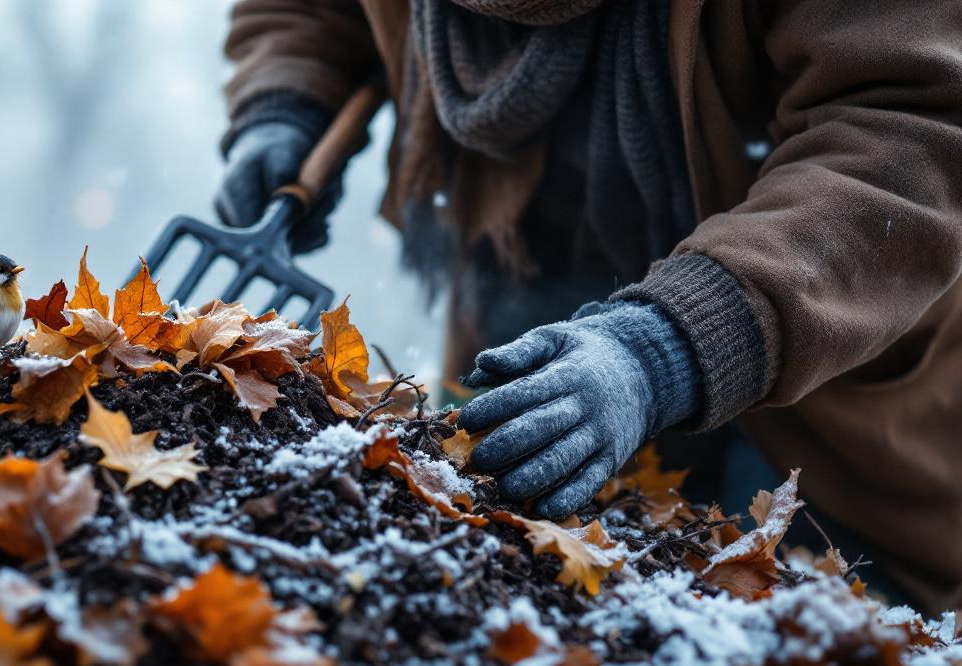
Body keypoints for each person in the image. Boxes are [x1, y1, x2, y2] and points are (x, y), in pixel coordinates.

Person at [213, 0, 962, 615]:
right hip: (514, 304)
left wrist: (666, 349)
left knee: (793, 662)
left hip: (817, 377)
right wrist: (284, 102)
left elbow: (911, 130)